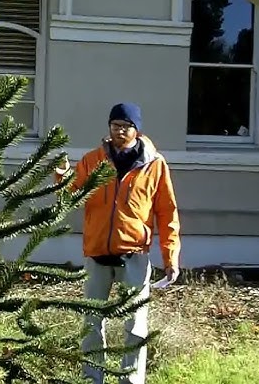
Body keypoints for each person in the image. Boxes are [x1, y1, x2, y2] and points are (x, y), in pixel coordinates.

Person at [54, 102, 181, 384]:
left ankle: (130, 380)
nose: (120, 131)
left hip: (134, 255)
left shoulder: (155, 165)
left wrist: (170, 257)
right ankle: (92, 378)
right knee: (91, 322)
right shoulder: (92, 161)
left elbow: (167, 212)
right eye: (115, 126)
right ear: (109, 128)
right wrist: (61, 177)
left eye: (126, 126)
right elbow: (71, 197)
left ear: (137, 130)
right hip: (97, 253)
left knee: (135, 324)